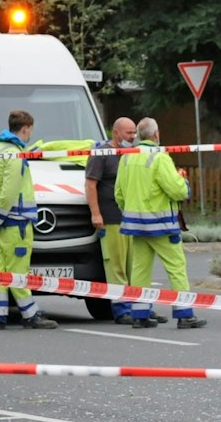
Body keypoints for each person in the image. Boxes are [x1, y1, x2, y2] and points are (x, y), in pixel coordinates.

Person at [117, 118, 205, 330]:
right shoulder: (160, 157)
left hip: (135, 225)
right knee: (176, 267)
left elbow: (118, 194)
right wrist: (182, 180)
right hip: (161, 225)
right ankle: (184, 315)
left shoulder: (126, 157)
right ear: (156, 135)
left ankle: (140, 315)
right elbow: (177, 191)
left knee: (139, 270)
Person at [0, 109, 59, 331]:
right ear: (25, 129)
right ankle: (30, 315)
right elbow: (9, 192)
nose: (31, 134)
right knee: (18, 271)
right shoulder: (16, 155)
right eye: (30, 130)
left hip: (0, 224)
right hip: (17, 222)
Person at [81, 116, 137, 323]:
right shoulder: (101, 154)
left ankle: (138, 308)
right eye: (129, 133)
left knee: (133, 267)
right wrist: (96, 214)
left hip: (131, 218)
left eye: (134, 132)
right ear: (116, 132)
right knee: (116, 267)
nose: (132, 137)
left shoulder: (131, 153)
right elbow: (90, 185)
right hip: (111, 218)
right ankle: (122, 310)